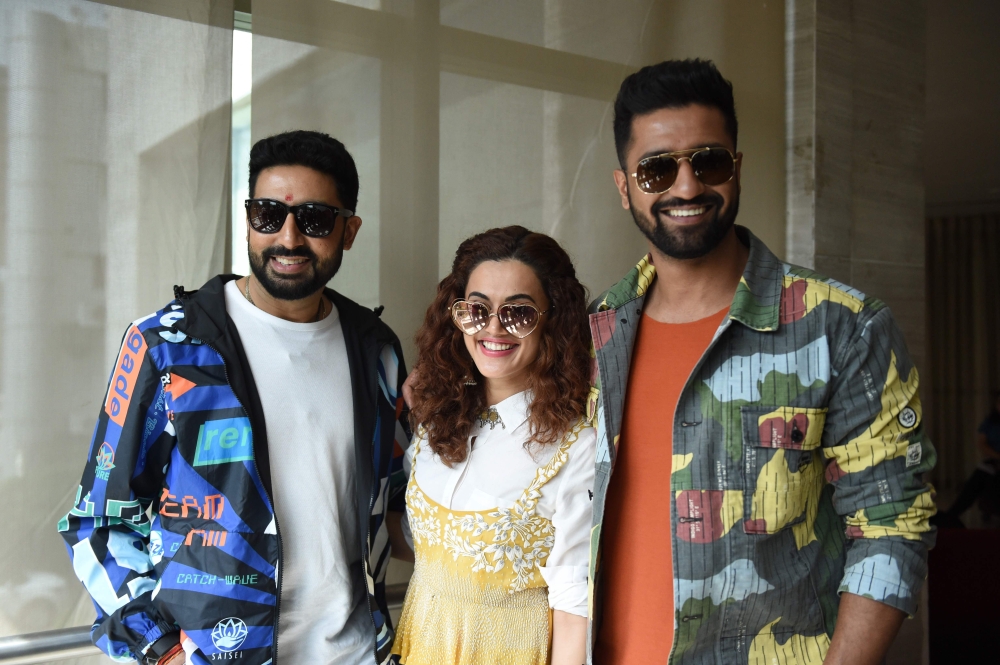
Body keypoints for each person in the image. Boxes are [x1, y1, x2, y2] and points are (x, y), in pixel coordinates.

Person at [587, 60, 937, 664]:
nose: (688, 186)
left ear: (738, 169)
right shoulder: (592, 336)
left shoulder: (844, 327)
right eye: (657, 168)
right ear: (625, 187)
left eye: (710, 160)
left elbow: (893, 526)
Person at [58, 131, 409, 665]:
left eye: (314, 219)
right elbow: (99, 522)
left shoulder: (376, 351)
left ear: (349, 230)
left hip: (357, 652)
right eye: (268, 214)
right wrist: (160, 650)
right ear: (248, 218)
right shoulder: (168, 346)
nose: (288, 238)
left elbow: (402, 505)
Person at [388, 226, 595, 665]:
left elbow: (574, 600)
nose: (493, 328)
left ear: (553, 320)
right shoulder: (434, 416)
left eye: (518, 313)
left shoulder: (576, 446)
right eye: (476, 310)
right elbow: (419, 544)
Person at [935, 392, 1000, 526]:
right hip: (994, 461)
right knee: (978, 479)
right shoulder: (991, 422)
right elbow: (982, 443)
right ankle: (951, 516)